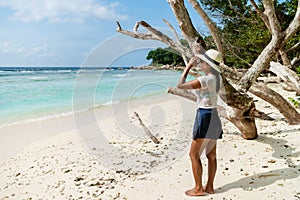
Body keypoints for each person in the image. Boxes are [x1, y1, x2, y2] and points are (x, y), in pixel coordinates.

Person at [177, 47, 223, 196]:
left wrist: (188, 66)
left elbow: (180, 85)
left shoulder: (205, 79)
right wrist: (201, 52)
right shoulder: (218, 78)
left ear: (209, 65)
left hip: (204, 115)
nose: (201, 65)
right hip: (214, 115)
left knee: (193, 154)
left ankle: (197, 188)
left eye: (203, 63)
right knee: (211, 155)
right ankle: (209, 186)